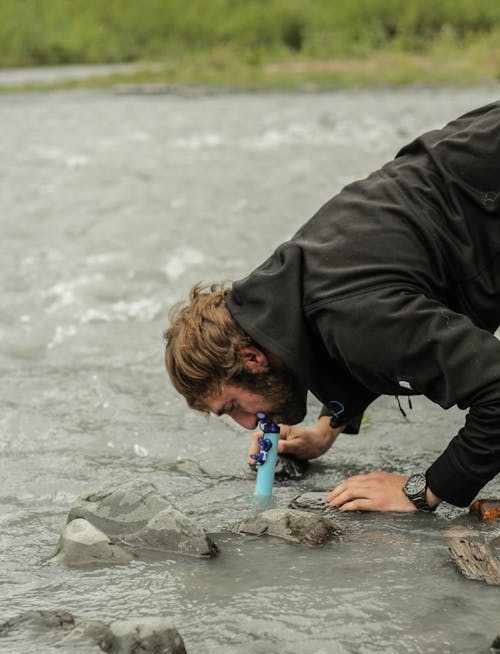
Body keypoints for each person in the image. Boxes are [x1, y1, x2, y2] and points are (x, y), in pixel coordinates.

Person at [164, 101, 500, 514]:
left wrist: (424, 489)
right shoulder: (287, 291)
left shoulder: (350, 314)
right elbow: (351, 341)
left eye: (233, 407)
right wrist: (324, 432)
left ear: (252, 358)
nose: (248, 424)